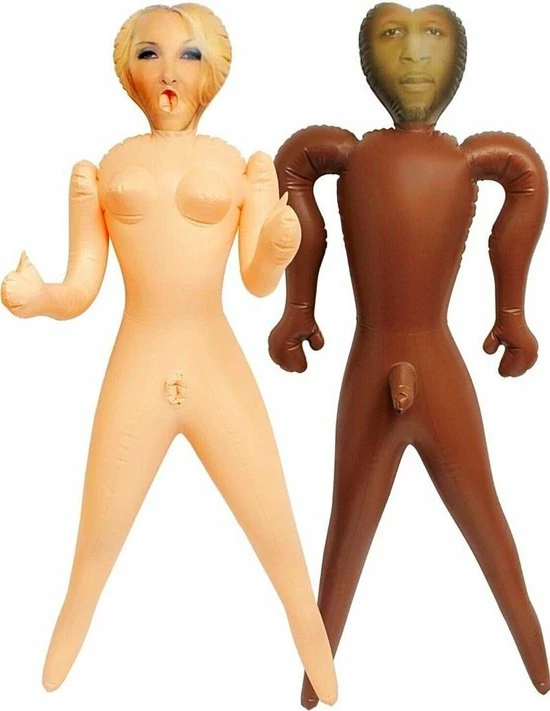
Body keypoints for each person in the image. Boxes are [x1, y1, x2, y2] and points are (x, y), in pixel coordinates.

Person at [1, 4, 337, 703]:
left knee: (277, 530)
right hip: (138, 359)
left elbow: (255, 280)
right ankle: (63, 646)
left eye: (188, 55)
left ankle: (314, 644)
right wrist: (40, 298)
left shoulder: (240, 166)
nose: (168, 72)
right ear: (128, 69)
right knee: (97, 538)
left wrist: (279, 245)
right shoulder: (103, 170)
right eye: (150, 54)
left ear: (212, 71)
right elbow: (83, 286)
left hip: (215, 359)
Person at [268, 3, 548, 707]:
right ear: (368, 57)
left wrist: (512, 312)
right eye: (392, 36)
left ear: (458, 59)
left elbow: (528, 177)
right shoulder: (345, 153)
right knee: (345, 539)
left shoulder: (470, 158)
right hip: (377, 361)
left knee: (488, 526)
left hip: (429, 360)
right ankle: (315, 679)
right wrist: (298, 306)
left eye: (433, 38)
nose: (415, 56)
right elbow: (291, 169)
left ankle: (540, 664)